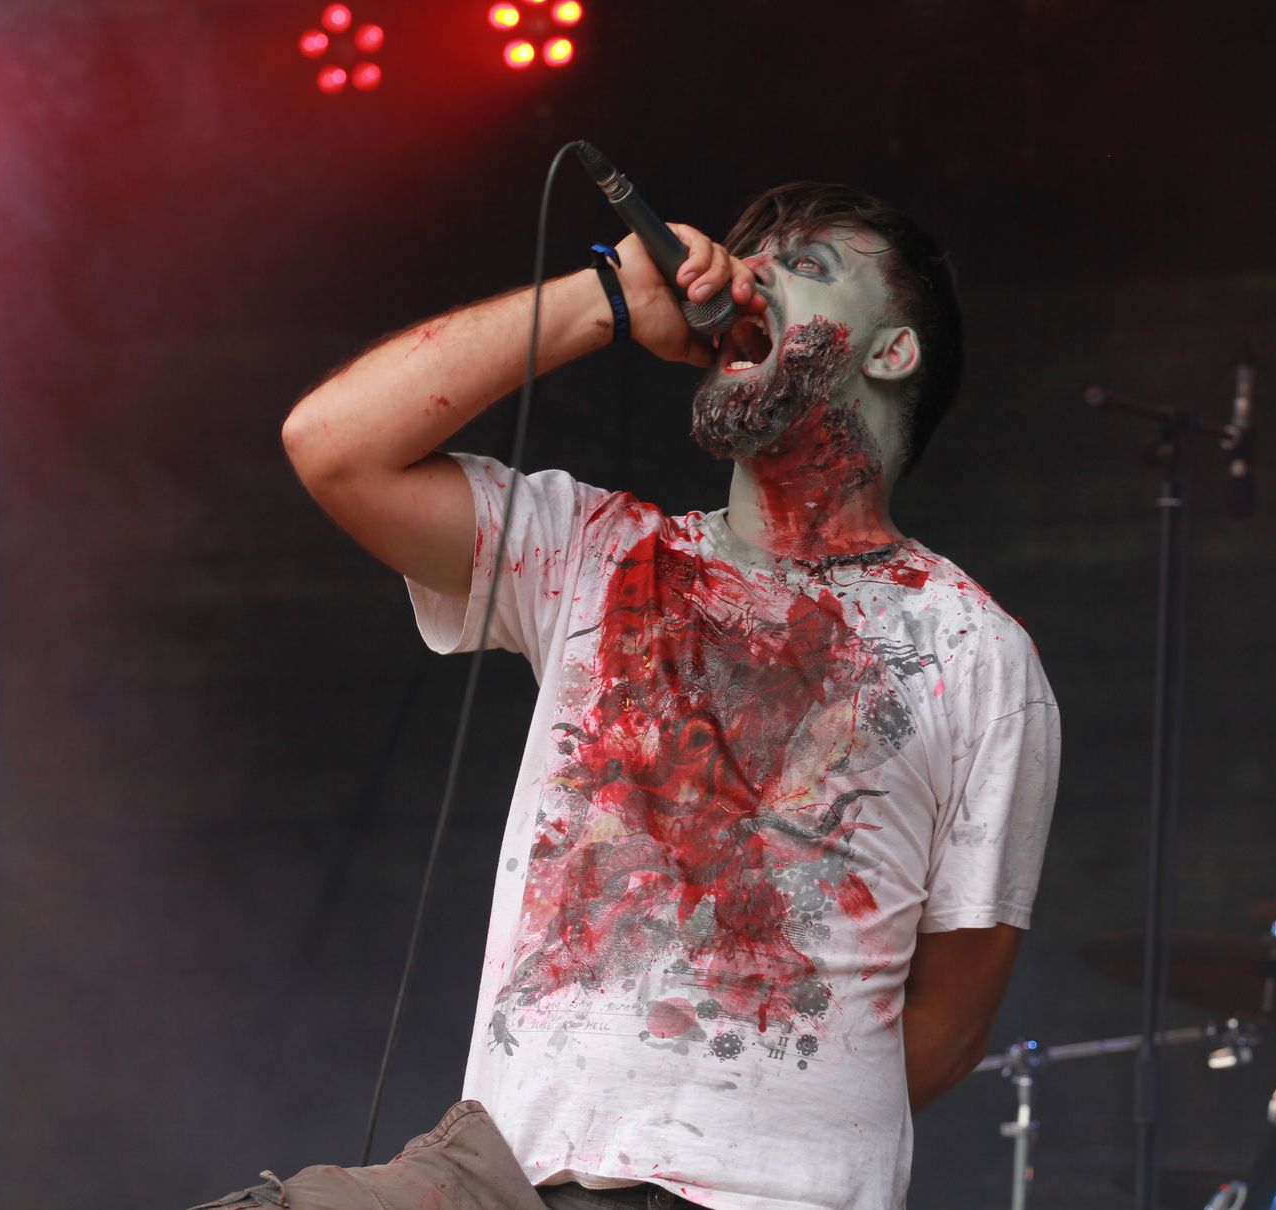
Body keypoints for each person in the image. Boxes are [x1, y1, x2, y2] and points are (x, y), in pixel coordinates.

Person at [208, 182, 1059, 1210]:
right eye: (747, 256)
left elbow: (952, 1020)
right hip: (514, 1181)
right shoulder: (593, 550)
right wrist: (605, 297)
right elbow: (333, 444)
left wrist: (742, 1139)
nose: (749, 275)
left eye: (807, 266)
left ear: (892, 351)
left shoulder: (974, 652)